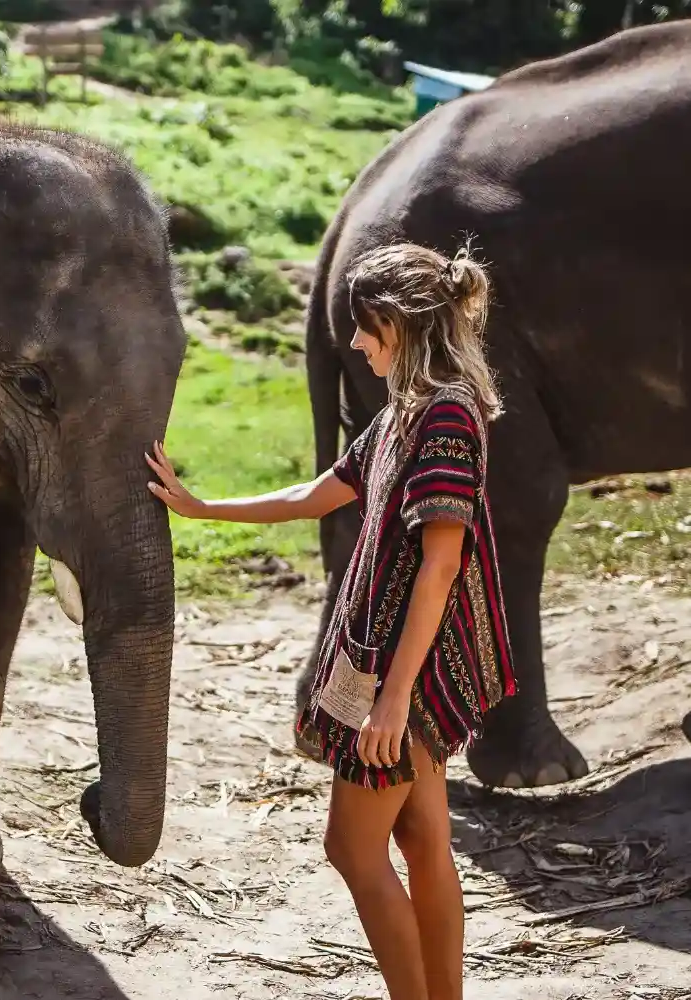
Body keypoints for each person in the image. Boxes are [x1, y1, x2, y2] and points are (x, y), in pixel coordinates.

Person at [145, 242, 516, 1000]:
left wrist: (392, 698)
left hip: (408, 670)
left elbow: (442, 568)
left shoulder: (444, 418)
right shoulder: (407, 414)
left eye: (365, 328)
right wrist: (201, 506)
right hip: (402, 662)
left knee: (352, 847)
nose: (354, 343)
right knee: (419, 839)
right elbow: (319, 492)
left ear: (401, 325)